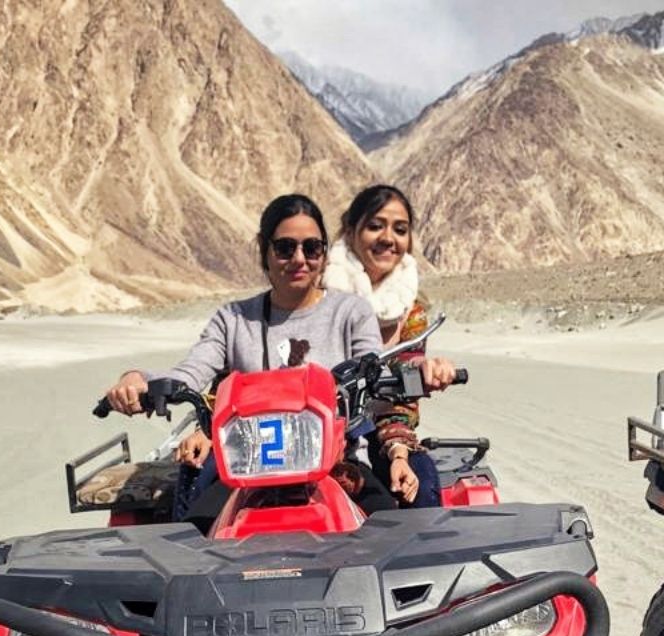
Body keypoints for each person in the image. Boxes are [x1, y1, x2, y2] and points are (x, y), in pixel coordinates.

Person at [105, 193, 456, 531]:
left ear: (324, 253)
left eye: (312, 247)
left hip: (336, 463)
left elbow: (373, 367)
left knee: (393, 539)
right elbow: (191, 372)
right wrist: (139, 380)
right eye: (286, 247)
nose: (300, 258)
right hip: (244, 469)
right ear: (265, 251)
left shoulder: (351, 312)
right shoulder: (233, 319)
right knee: (195, 535)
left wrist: (417, 374)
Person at [323, 184, 443, 508]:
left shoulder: (410, 312)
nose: (388, 238)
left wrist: (398, 453)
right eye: (376, 226)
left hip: (379, 428)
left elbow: (402, 394)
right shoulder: (317, 294)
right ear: (351, 231)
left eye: (400, 229)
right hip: (312, 430)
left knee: (421, 488)